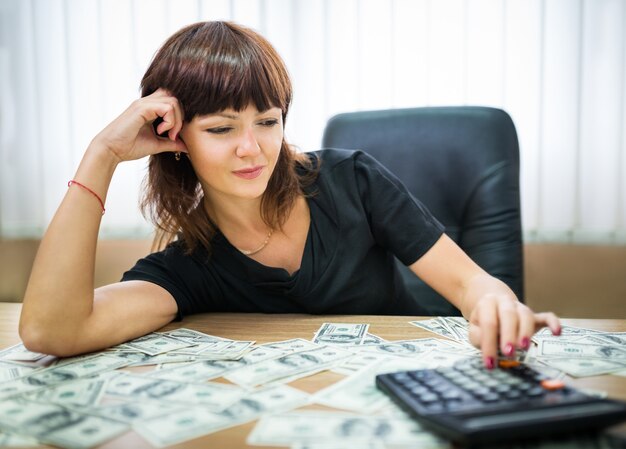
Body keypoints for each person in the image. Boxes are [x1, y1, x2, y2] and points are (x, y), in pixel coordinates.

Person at [19, 21, 561, 368]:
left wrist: (493, 301)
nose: (252, 149)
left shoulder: (353, 180)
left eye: (268, 121)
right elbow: (50, 330)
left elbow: (472, 282)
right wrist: (102, 153)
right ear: (175, 138)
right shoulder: (191, 266)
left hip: (412, 376)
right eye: (221, 129)